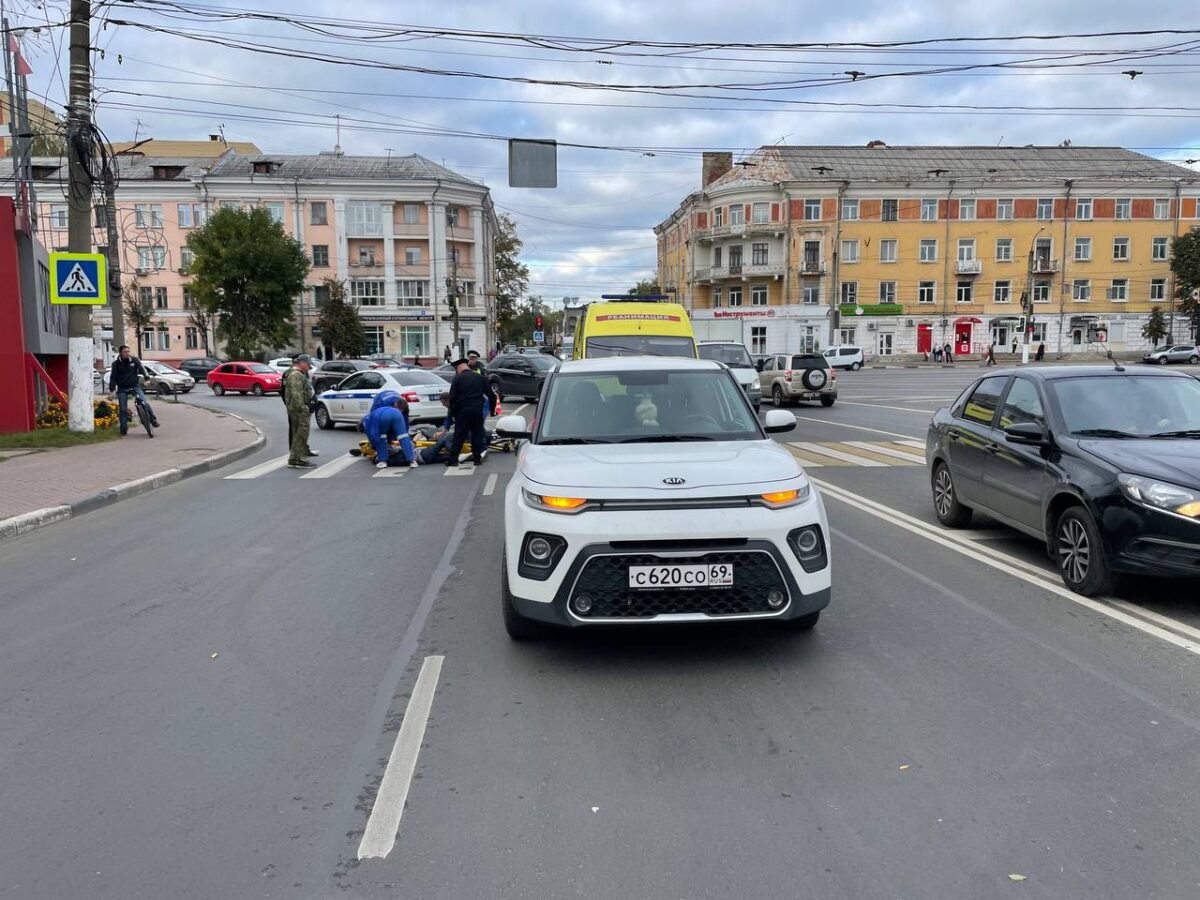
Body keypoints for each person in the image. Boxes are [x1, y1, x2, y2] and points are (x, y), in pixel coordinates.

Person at [445, 357, 496, 467]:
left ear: (459, 368)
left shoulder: (457, 379)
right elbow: (491, 395)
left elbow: (452, 398)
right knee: (477, 434)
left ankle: (453, 459)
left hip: (462, 411)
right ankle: (477, 458)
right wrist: (492, 410)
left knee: (459, 435)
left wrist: (453, 413)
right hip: (477, 410)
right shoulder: (480, 378)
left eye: (456, 369)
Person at [108, 344, 159, 435]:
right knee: (123, 409)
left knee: (145, 403)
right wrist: (112, 390)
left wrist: (146, 379)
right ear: (120, 353)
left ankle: (153, 421)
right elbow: (113, 377)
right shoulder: (116, 364)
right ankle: (123, 429)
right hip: (122, 389)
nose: (127, 353)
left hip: (135, 387)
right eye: (125, 352)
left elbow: (142, 369)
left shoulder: (134, 360)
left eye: (128, 351)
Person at [360, 390, 417, 469]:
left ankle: (383, 462)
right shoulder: (399, 406)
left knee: (381, 437)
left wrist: (374, 445)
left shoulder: (368, 420)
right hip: (396, 415)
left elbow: (374, 435)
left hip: (384, 416)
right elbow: (404, 421)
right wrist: (404, 433)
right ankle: (412, 461)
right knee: (403, 436)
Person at [281, 355, 319, 458]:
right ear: (301, 363)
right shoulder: (291, 374)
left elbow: (306, 388)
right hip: (297, 408)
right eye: (308, 364)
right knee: (297, 432)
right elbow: (291, 392)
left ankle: (303, 450)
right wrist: (301, 407)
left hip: (303, 406)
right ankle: (296, 455)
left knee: (302, 431)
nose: (309, 367)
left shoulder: (302, 373)